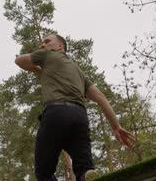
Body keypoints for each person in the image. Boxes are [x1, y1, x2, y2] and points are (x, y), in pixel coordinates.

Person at [15, 33, 136, 181]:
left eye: (47, 41)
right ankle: (86, 177)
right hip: (80, 117)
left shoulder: (48, 56)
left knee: (44, 172)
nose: (42, 45)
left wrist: (40, 69)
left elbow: (20, 61)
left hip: (56, 113)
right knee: (84, 168)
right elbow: (101, 98)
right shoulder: (79, 72)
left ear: (60, 46)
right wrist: (116, 126)